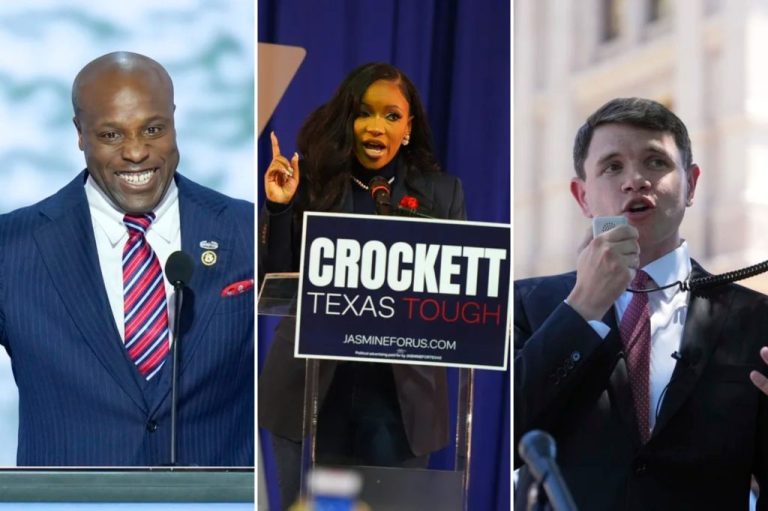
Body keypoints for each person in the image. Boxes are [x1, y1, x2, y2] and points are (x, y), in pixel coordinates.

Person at [0, 52, 254, 466]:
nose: (136, 153)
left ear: (174, 120)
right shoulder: (12, 248)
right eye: (111, 136)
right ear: (80, 134)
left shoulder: (245, 230)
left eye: (153, 129)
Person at [514, 97, 768, 510]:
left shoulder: (756, 319)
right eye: (612, 166)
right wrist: (581, 308)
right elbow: (498, 434)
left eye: (655, 162)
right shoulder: (528, 304)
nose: (635, 180)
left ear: (691, 184)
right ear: (582, 196)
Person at [258, 62, 466, 509]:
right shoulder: (312, 185)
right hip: (310, 392)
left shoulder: (441, 195)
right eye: (364, 113)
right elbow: (273, 282)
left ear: (408, 128)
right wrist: (280, 208)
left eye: (391, 116)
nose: (376, 127)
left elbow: (457, 295)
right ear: (347, 120)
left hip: (400, 401)